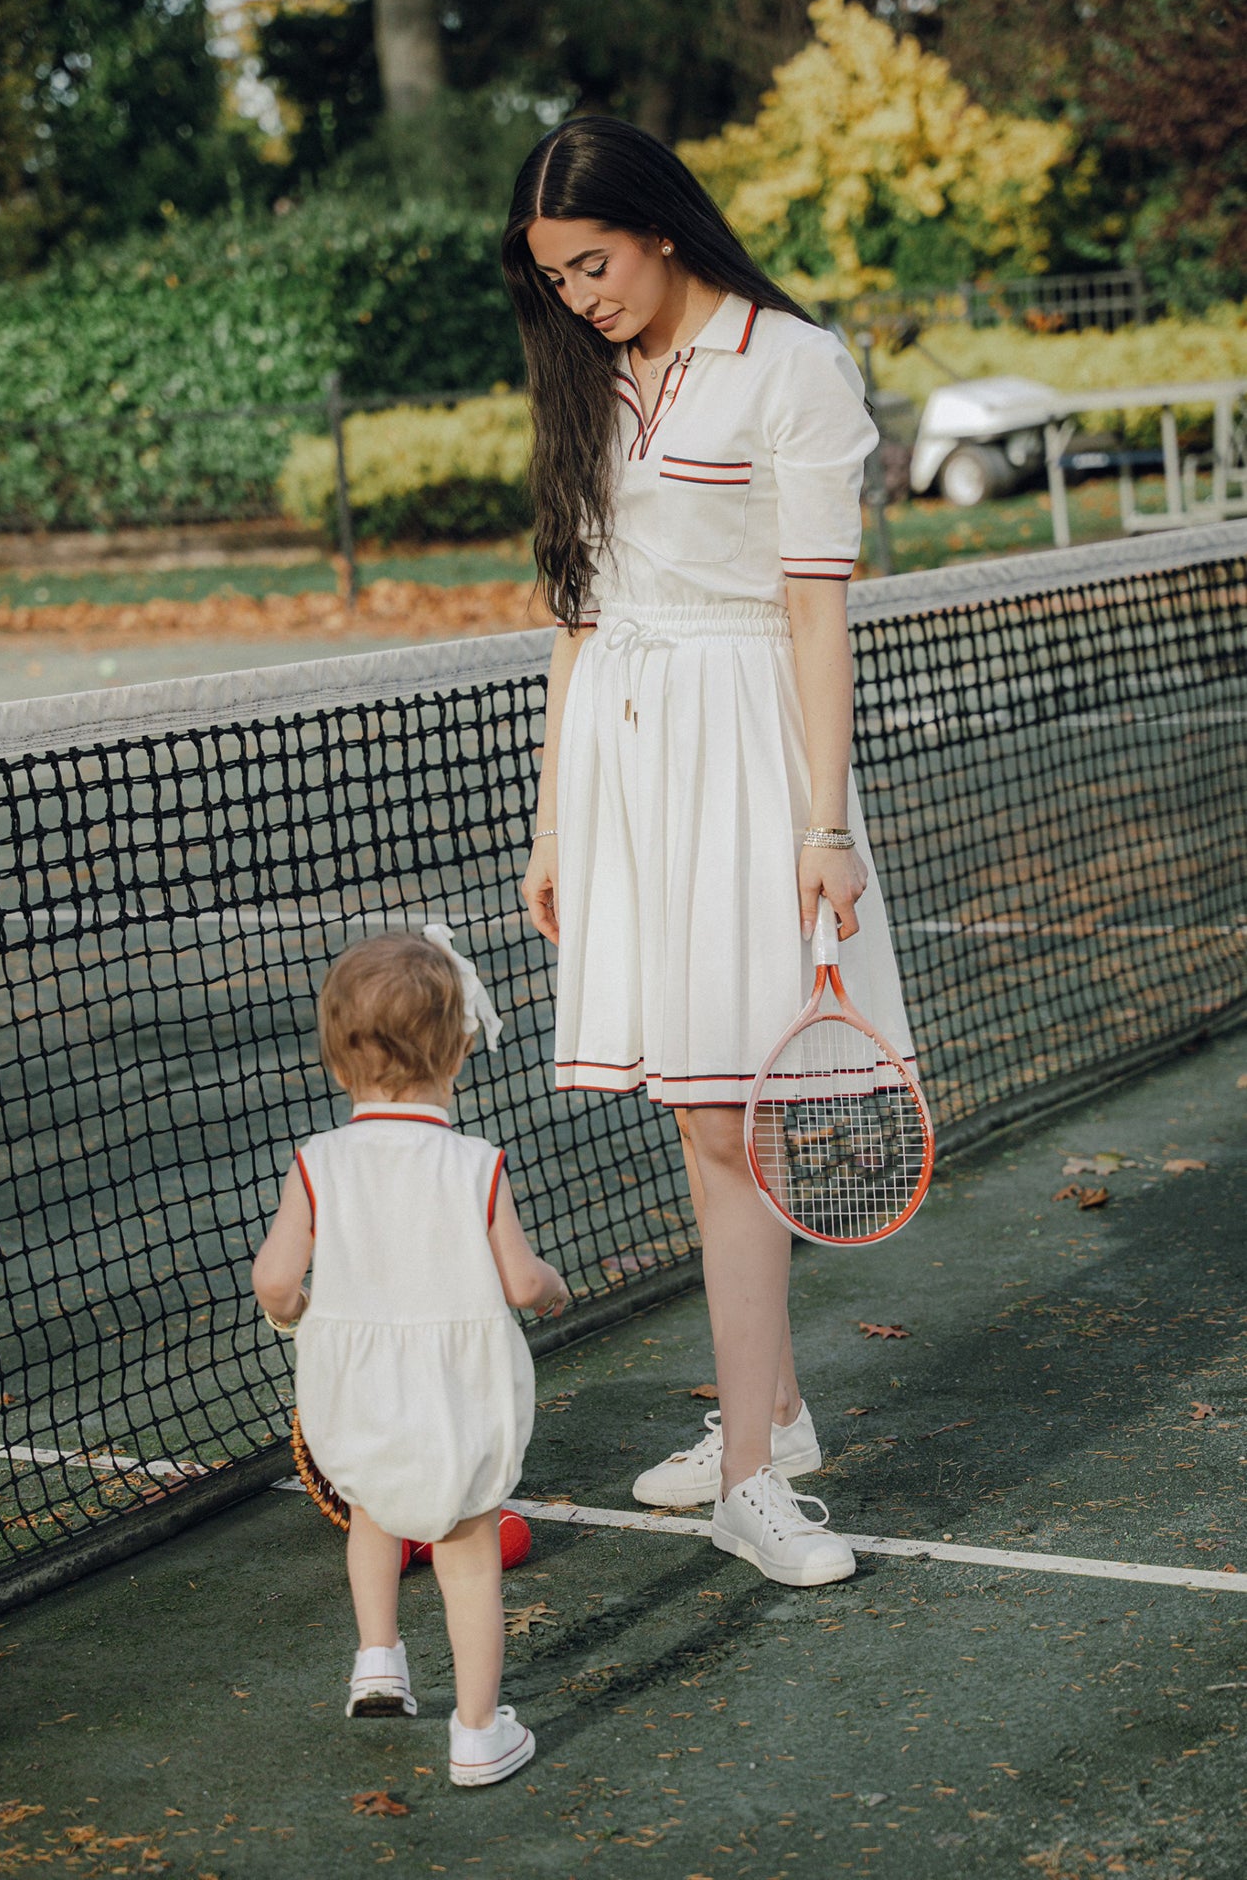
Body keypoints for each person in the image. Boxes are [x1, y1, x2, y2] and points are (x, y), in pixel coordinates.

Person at [502, 116, 917, 1590]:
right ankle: (773, 1420)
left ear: (659, 226)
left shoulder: (793, 365)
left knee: (731, 1122)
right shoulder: (589, 377)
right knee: (703, 1116)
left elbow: (814, 612)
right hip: (623, 762)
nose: (580, 297)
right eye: (556, 279)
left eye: (593, 263)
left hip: (746, 752)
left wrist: (824, 822)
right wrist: (554, 820)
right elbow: (578, 615)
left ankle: (752, 1476)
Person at [251, 927, 569, 1788]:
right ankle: (477, 1733)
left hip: (355, 1384)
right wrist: (553, 1286)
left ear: (335, 1061)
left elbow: (275, 1280)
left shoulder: (317, 1162)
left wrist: (298, 1316)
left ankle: (378, 1662)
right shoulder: (476, 1164)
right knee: (466, 1547)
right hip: (456, 1388)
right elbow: (520, 1281)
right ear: (459, 1051)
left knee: (372, 1509)